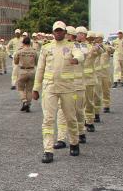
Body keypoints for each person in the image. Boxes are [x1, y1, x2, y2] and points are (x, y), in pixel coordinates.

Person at [33, 21, 84, 163]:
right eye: (56, 30)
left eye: (61, 30)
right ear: (53, 32)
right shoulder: (46, 48)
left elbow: (80, 54)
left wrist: (76, 59)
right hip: (50, 87)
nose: (58, 33)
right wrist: (36, 88)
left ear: (65, 32)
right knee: (48, 119)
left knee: (70, 117)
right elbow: (40, 69)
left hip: (67, 88)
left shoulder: (71, 46)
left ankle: (74, 142)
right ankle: (48, 150)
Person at [13, 36, 37, 112]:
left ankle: (24, 101)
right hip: (32, 71)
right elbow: (36, 62)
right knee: (29, 90)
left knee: (20, 88)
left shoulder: (19, 51)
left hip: (22, 71)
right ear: (30, 43)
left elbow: (16, 62)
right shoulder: (34, 51)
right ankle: (28, 104)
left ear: (23, 43)